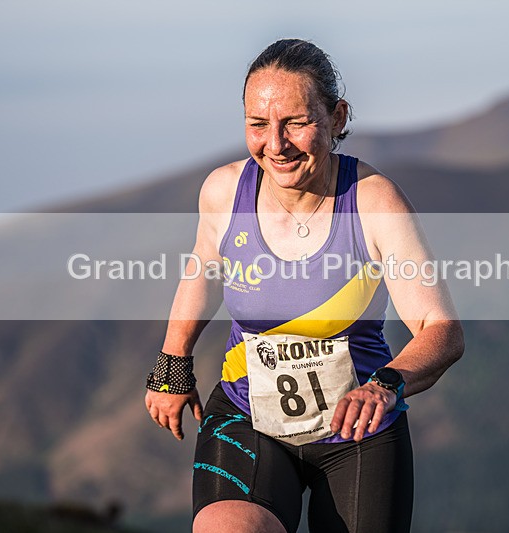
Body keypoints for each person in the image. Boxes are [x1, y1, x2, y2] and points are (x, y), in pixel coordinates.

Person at [144, 39, 464, 533]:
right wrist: (173, 362)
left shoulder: (373, 202)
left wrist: (385, 386)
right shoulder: (225, 191)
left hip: (358, 427)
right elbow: (204, 272)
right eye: (258, 124)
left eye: (295, 122)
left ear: (337, 118)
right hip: (247, 415)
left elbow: (441, 330)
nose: (275, 144)